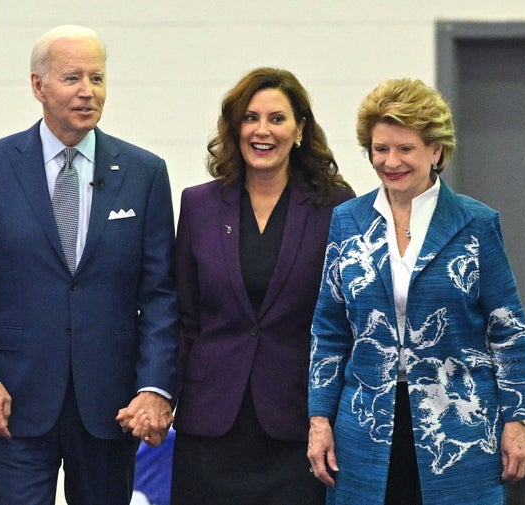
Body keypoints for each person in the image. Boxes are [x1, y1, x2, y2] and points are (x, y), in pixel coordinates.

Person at [0, 25, 178, 504]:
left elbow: (160, 297)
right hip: (15, 403)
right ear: (38, 86)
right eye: (72, 77)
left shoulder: (144, 173)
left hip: (111, 407)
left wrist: (155, 386)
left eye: (98, 77)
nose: (87, 91)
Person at [307, 77, 525, 505]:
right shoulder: (347, 221)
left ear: (436, 150)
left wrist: (518, 418)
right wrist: (319, 420)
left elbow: (508, 329)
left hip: (459, 424)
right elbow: (329, 331)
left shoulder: (476, 223)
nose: (390, 161)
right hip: (365, 427)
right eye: (380, 149)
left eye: (405, 148)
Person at [171, 67, 355, 505]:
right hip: (211, 421)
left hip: (297, 424)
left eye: (277, 118)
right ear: (235, 128)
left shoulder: (336, 206)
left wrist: (331, 413)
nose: (262, 130)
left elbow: (345, 320)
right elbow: (182, 316)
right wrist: (162, 396)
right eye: (250, 118)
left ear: (300, 129)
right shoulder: (198, 205)